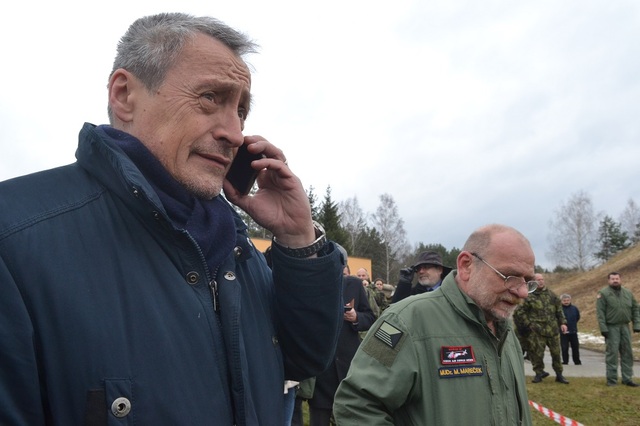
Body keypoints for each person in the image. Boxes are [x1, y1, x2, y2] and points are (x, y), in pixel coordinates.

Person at [0, 13, 344, 425]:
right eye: (210, 98)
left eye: (241, 110)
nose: (235, 133)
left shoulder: (237, 249)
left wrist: (298, 238)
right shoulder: (14, 236)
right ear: (124, 95)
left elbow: (305, 359)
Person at [333, 224, 536, 425]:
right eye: (509, 277)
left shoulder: (505, 330)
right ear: (466, 265)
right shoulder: (402, 320)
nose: (523, 292)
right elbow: (356, 405)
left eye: (527, 281)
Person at [307, 274, 376, 425]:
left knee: (351, 417)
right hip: (322, 369)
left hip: (348, 368)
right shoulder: (313, 283)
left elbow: (370, 318)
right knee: (319, 417)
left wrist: (356, 317)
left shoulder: (355, 285)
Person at [515, 273, 569, 384]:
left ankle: (559, 374)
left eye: (542, 279)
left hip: (552, 330)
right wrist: (529, 324)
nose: (540, 281)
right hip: (537, 331)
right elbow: (520, 312)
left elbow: (559, 310)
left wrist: (563, 323)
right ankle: (538, 374)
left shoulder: (552, 295)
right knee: (537, 354)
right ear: (533, 282)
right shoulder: (529, 296)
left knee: (556, 354)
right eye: (538, 280)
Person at [596, 272, 640, 387]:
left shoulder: (628, 293)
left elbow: (635, 308)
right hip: (612, 327)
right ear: (608, 280)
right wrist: (603, 328)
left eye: (617, 278)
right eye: (612, 279)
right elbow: (600, 313)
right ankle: (612, 380)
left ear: (620, 279)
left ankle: (627, 378)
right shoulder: (603, 293)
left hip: (625, 326)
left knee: (627, 353)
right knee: (612, 353)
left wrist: (637, 324)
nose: (615, 280)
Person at [560, 293, 582, 365]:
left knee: (575, 347)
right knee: (564, 347)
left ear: (570, 300)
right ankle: (565, 361)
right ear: (561, 301)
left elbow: (578, 317)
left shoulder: (574, 308)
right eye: (564, 300)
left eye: (567, 300)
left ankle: (577, 361)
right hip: (563, 332)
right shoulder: (559, 309)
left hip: (573, 331)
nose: (566, 302)